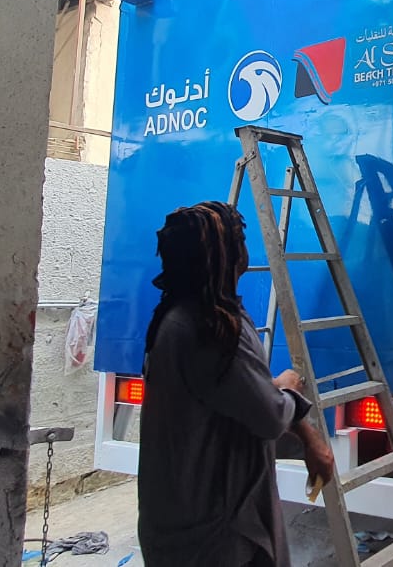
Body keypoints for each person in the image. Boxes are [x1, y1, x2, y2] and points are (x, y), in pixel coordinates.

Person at [138, 201, 337, 567]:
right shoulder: (209, 329)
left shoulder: (177, 316)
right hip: (215, 537)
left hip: (182, 527)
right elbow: (270, 416)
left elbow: (236, 396)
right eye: (240, 241)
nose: (246, 250)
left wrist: (282, 404)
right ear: (227, 255)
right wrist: (287, 387)